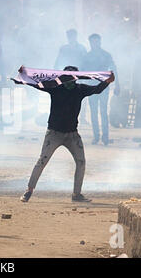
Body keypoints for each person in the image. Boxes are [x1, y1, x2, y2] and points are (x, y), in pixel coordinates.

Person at [20, 66, 115, 203]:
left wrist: (107, 82)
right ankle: (29, 191)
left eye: (72, 77)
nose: (70, 81)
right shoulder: (55, 87)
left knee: (81, 162)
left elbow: (96, 90)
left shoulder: (80, 89)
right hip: (54, 133)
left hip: (72, 135)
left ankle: (76, 195)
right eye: (67, 77)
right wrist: (25, 75)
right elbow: (38, 84)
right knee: (42, 161)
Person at [83, 34, 120, 145]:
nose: (95, 44)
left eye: (97, 41)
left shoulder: (106, 55)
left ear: (100, 42)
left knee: (103, 111)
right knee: (94, 112)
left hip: (103, 86)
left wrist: (117, 84)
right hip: (92, 87)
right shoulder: (87, 56)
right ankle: (96, 136)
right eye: (93, 42)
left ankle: (105, 137)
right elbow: (83, 71)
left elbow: (113, 69)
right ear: (90, 43)